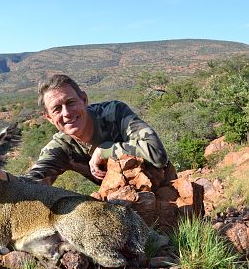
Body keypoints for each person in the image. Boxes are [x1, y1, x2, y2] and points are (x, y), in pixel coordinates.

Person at [11, 73, 169, 186]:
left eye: (71, 102)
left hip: (161, 189)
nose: (66, 113)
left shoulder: (115, 112)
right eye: (57, 109)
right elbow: (29, 184)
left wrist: (105, 150)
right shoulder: (60, 148)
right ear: (49, 118)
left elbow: (158, 153)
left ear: (84, 100)